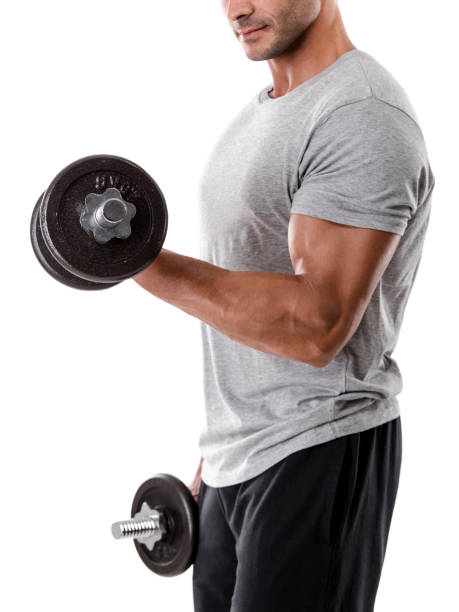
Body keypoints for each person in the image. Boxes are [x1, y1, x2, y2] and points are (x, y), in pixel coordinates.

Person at [134, 0, 435, 610]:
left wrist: (139, 260)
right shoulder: (262, 116)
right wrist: (212, 458)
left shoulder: (360, 116)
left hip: (317, 447)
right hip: (234, 462)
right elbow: (244, 305)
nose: (235, 9)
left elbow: (317, 323)